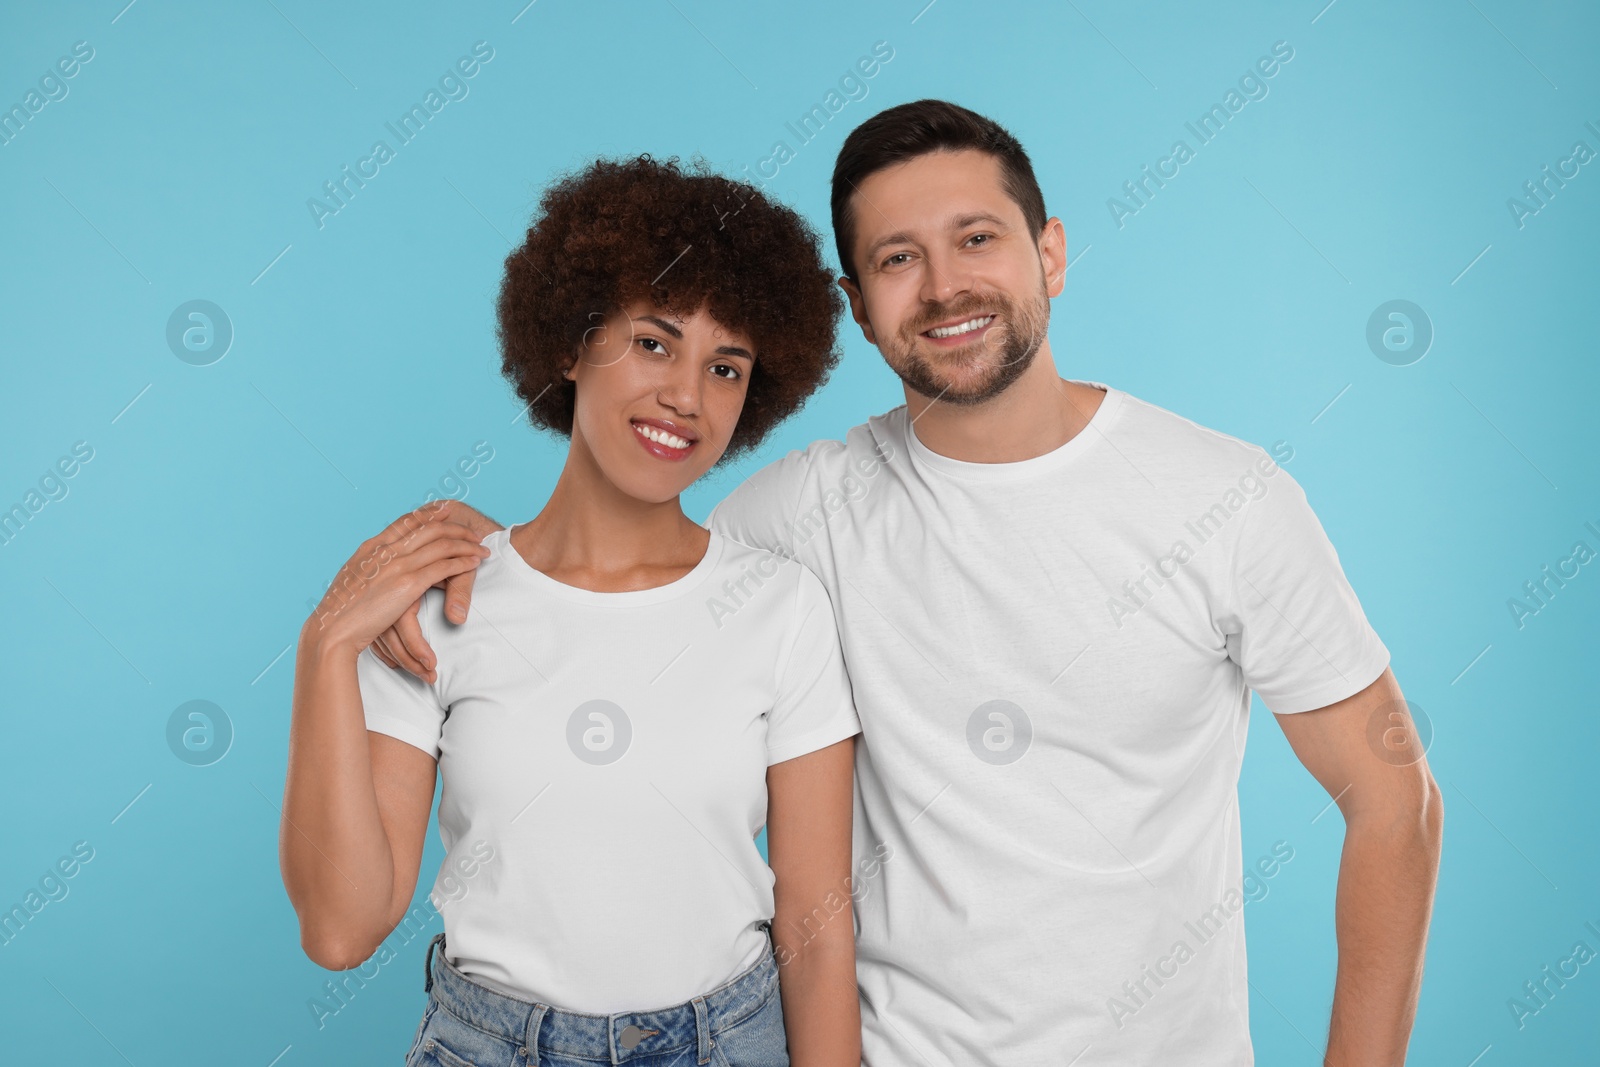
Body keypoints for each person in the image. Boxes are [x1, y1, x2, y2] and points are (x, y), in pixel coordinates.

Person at [369, 101, 1444, 1066]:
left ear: (1050, 252)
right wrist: (458, 559)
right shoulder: (801, 514)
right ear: (855, 303)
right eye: (896, 258)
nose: (942, 287)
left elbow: (1392, 795)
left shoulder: (1227, 498)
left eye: (976, 238)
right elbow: (623, 561)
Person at [280, 155, 865, 1067]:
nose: (685, 395)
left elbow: (818, 927)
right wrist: (325, 647)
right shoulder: (443, 605)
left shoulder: (780, 607)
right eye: (653, 342)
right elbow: (341, 930)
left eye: (726, 366)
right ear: (570, 341)